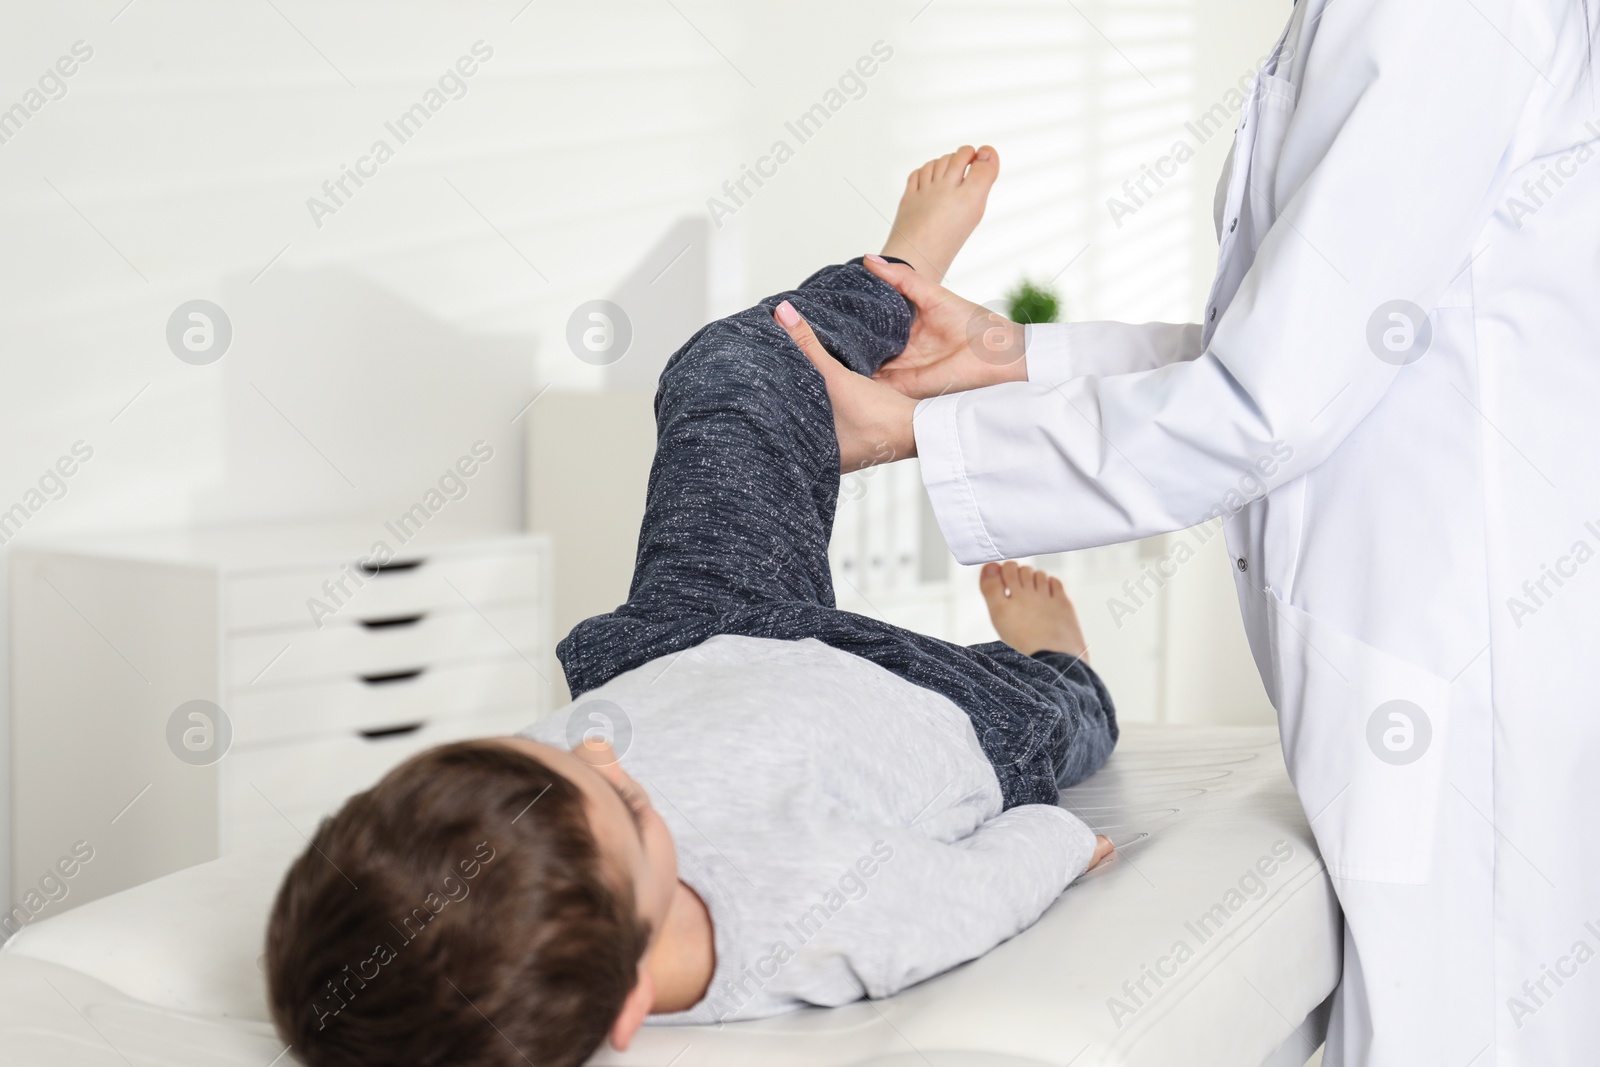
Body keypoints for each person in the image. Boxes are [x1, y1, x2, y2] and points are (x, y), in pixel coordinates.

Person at [785, 3, 1600, 1065]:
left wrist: (924, 433)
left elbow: (1273, 400)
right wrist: (1006, 355)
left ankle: (1055, 669)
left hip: (1450, 664)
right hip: (1410, 649)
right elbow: (1300, 339)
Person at [264, 151, 1117, 1067]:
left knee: (723, 369)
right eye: (625, 799)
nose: (594, 749)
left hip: (697, 639)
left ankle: (896, 286)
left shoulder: (528, 838)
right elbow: (974, 892)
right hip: (933, 703)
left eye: (540, 756)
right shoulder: (807, 914)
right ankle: (1056, 659)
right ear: (631, 1001)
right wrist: (1057, 844)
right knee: (1061, 716)